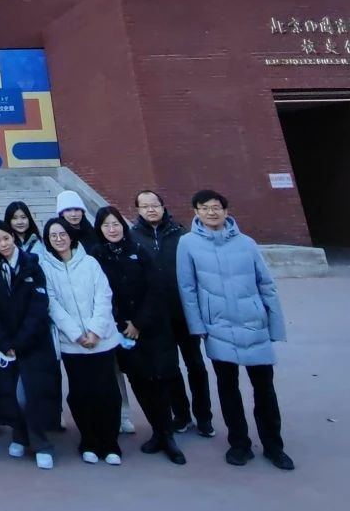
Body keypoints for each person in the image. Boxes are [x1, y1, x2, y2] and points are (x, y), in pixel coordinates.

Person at [177, 190, 293, 471]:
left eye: (216, 207)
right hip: (217, 325)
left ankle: (274, 446)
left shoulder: (247, 243)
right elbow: (187, 288)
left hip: (253, 323)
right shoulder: (187, 244)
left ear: (226, 211)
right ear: (196, 212)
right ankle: (239, 444)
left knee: (264, 389)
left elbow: (266, 284)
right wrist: (197, 325)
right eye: (205, 208)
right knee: (228, 388)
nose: (211, 212)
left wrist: (275, 324)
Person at [92, 207, 185, 466]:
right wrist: (120, 324)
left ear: (123, 226)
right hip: (121, 330)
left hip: (150, 328)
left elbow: (156, 288)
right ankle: (157, 432)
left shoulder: (139, 250)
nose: (112, 229)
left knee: (158, 380)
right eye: (106, 225)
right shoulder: (96, 256)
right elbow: (98, 294)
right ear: (99, 229)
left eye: (116, 224)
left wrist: (139, 323)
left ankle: (167, 435)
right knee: (138, 381)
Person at [0, 220, 61, 470]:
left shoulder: (31, 264)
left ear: (13, 237)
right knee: (10, 393)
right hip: (4, 343)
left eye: (6, 238)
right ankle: (20, 434)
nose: (3, 244)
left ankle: (41, 444)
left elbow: (39, 306)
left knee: (31, 394)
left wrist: (20, 342)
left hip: (33, 341)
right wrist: (4, 343)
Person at [39, 218, 122, 465]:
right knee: (81, 394)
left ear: (71, 235)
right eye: (53, 236)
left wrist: (95, 331)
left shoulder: (90, 263)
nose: (59, 239)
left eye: (62, 234)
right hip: (72, 344)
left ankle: (110, 443)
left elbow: (104, 296)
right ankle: (89, 441)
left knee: (107, 392)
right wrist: (77, 334)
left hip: (102, 340)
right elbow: (52, 304)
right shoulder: (45, 268)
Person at [131, 189, 213, 437]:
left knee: (196, 365)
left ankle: (204, 417)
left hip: (184, 313)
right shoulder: (133, 237)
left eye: (154, 204)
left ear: (163, 206)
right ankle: (181, 415)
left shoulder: (182, 234)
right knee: (169, 369)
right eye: (145, 206)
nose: (151, 209)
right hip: (157, 317)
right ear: (138, 210)